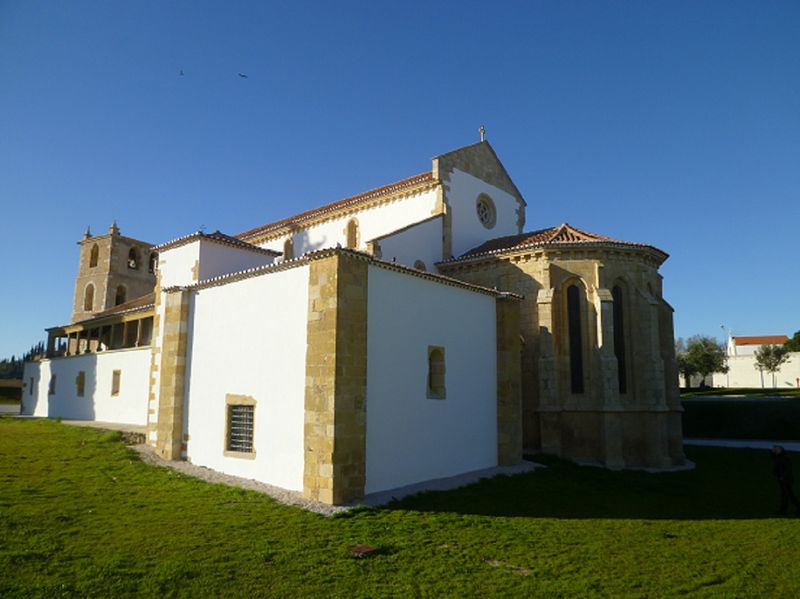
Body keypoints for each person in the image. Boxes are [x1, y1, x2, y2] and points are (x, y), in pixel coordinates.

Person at [771, 445, 800, 516]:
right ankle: (783, 510)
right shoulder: (779, 458)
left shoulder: (785, 458)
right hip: (783, 479)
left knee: (788, 495)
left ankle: (784, 510)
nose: (775, 451)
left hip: (786, 480)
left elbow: (787, 470)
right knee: (787, 495)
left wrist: (782, 477)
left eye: (776, 449)